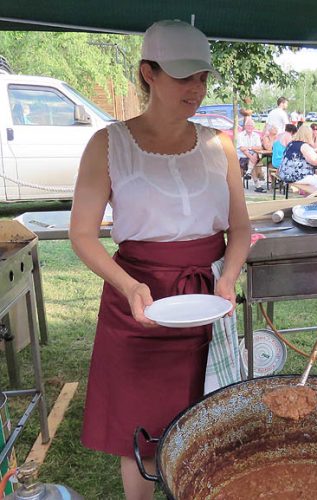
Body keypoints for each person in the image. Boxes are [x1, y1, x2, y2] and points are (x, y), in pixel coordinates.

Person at [69, 20, 251, 500]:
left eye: (203, 78)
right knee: (142, 434)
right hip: (140, 302)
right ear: (149, 73)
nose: (197, 88)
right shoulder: (109, 145)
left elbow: (241, 228)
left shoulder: (220, 146)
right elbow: (82, 235)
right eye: (183, 76)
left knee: (210, 425)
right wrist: (128, 286)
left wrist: (228, 277)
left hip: (206, 297)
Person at [278, 124, 317, 189]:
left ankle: (307, 195)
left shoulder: (291, 143)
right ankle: (314, 198)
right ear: (308, 135)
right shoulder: (304, 146)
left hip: (284, 174)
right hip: (294, 176)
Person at [237, 117, 265, 192]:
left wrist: (249, 148)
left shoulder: (256, 135)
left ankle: (248, 173)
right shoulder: (240, 135)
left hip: (253, 157)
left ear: (253, 127)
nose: (249, 127)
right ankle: (258, 186)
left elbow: (259, 147)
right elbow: (242, 149)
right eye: (248, 125)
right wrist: (251, 156)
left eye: (251, 126)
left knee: (255, 154)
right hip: (242, 157)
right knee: (252, 159)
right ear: (245, 126)